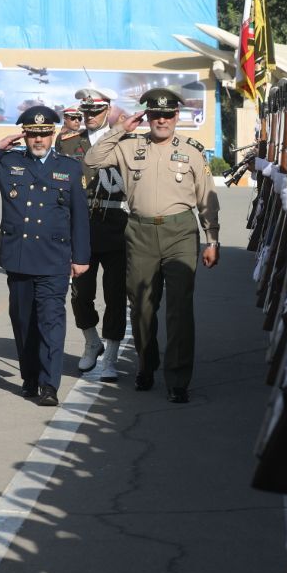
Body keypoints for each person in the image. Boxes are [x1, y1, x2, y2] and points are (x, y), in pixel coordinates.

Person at [83, 87, 220, 403]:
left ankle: (178, 378)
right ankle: (146, 365)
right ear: (147, 116)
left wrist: (212, 238)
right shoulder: (130, 147)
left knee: (180, 309)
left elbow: (206, 199)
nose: (162, 120)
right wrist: (121, 129)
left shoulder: (192, 151)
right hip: (141, 232)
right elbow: (92, 159)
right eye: (155, 114)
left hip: (181, 232)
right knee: (142, 308)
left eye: (168, 114)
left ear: (176, 117)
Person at [0, 105, 89, 407]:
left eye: (44, 134)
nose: (38, 140)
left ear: (53, 134)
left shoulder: (70, 167)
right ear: (25, 136)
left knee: (51, 321)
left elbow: (80, 216)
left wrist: (81, 256)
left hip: (53, 258)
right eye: (33, 135)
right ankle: (30, 377)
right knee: (23, 322)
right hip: (19, 257)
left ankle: (49, 385)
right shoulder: (10, 162)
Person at [58, 87, 130, 381]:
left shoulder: (126, 141)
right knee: (80, 294)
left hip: (117, 224)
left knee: (115, 295)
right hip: (82, 227)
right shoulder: (68, 143)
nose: (89, 117)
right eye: (85, 112)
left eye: (96, 111)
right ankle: (91, 341)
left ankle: (111, 355)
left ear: (107, 110)